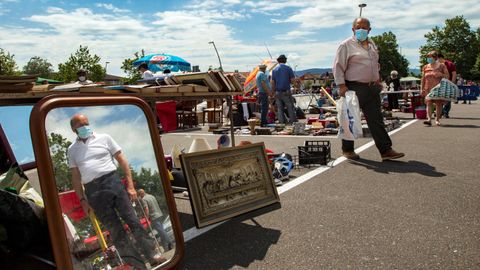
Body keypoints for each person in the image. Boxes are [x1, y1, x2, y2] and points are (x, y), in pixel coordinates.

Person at [67, 114, 166, 266]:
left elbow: (122, 160)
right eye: (82, 125)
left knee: (133, 220)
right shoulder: (72, 150)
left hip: (112, 182)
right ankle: (136, 265)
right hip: (93, 191)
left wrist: (131, 186)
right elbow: (75, 177)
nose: (86, 127)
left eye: (87, 123)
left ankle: (153, 255)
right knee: (115, 231)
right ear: (74, 129)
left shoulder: (105, 138)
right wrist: (82, 200)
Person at [333, 17, 405, 161]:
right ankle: (347, 150)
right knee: (349, 119)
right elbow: (338, 66)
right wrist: (341, 85)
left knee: (376, 119)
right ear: (353, 29)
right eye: (358, 27)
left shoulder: (372, 45)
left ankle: (385, 150)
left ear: (369, 30)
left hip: (372, 87)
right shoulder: (346, 45)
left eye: (365, 28)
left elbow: (375, 65)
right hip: (353, 87)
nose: (361, 30)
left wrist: (377, 81)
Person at [420, 50, 449, 126]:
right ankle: (429, 119)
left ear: (435, 57)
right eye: (428, 57)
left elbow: (447, 76)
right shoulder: (425, 67)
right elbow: (423, 78)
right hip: (428, 88)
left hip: (438, 88)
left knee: (438, 104)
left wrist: (441, 74)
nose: (428, 58)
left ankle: (437, 120)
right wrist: (421, 88)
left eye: (430, 57)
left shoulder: (442, 65)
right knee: (428, 103)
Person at [271, 54, 297, 124]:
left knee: (280, 108)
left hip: (277, 92)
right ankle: (293, 122)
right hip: (286, 91)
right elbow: (292, 80)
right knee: (290, 107)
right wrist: (295, 86)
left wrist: (273, 92)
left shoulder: (274, 70)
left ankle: (282, 123)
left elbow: (273, 82)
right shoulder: (288, 68)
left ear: (278, 61)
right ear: (285, 60)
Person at [438, 53, 457, 117]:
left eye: (437, 59)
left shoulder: (450, 64)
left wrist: (452, 83)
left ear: (440, 58)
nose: (436, 61)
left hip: (448, 83)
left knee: (447, 99)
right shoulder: (437, 65)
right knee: (439, 98)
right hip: (439, 83)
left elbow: (454, 74)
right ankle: (440, 112)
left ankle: (446, 113)